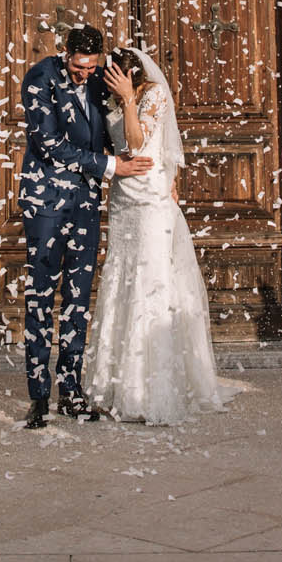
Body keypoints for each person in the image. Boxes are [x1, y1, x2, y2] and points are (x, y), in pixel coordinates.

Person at [16, 26, 152, 429]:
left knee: (78, 299)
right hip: (45, 204)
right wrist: (113, 167)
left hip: (86, 205)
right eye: (78, 67)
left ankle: (71, 392)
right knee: (40, 295)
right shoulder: (40, 78)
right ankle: (39, 397)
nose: (84, 74)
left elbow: (119, 124)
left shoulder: (97, 79)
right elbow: (48, 143)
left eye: (91, 67)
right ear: (65, 53)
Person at [87, 47, 231, 424]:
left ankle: (149, 390)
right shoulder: (109, 99)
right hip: (123, 201)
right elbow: (115, 149)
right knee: (122, 279)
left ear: (132, 74)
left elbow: (139, 142)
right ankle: (115, 384)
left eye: (116, 75)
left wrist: (130, 98)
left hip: (151, 202)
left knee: (151, 285)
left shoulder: (152, 95)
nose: (110, 81)